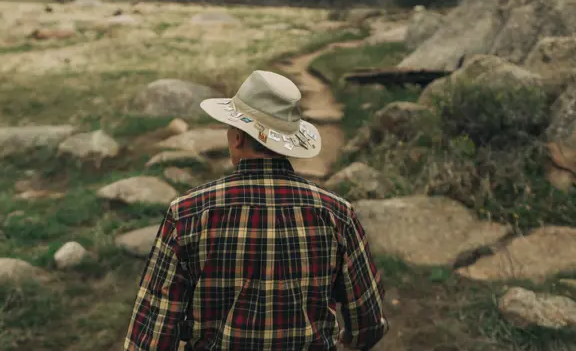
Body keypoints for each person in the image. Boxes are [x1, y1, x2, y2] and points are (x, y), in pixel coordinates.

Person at [124, 70, 389, 351]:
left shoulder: (187, 214)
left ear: (237, 136)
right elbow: (368, 326)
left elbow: (151, 336)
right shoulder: (337, 214)